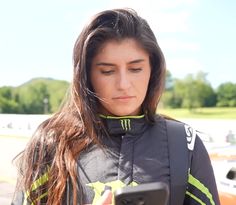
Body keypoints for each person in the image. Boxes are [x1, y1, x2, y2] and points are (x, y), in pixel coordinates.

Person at [12, 8, 220, 205]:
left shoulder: (184, 143)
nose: (123, 84)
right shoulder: (50, 142)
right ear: (86, 76)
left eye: (136, 69)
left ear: (153, 70)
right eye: (107, 71)